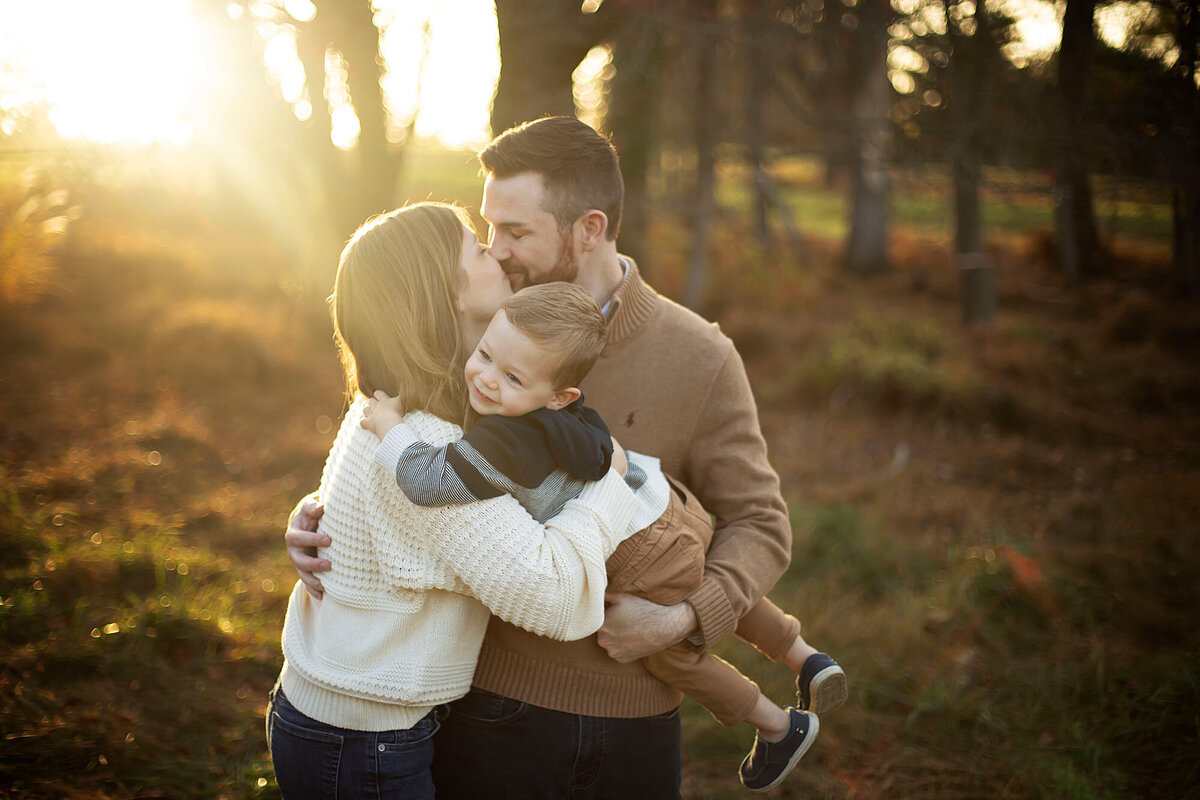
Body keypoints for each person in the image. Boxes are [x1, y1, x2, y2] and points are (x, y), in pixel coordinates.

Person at [286, 116, 844, 798]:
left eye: (516, 233)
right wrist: (321, 521)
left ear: (589, 228)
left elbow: (759, 522)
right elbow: (400, 438)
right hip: (486, 706)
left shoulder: (700, 356)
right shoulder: (482, 339)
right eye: (488, 231)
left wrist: (684, 619)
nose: (499, 252)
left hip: (639, 713)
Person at [361, 281, 845, 791]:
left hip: (642, 550)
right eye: (483, 354)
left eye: (511, 376)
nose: (484, 379)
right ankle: (805, 657)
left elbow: (427, 481)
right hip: (666, 502)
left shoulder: (505, 440)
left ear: (557, 395)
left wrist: (391, 427)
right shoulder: (569, 412)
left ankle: (776, 725)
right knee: (696, 571)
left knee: (670, 653)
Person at [267, 202, 659, 799]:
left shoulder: (396, 403)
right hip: (362, 741)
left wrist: (313, 515)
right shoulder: (427, 439)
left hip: (352, 725)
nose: (496, 251)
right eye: (477, 247)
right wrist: (611, 488)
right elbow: (553, 598)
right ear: (445, 294)